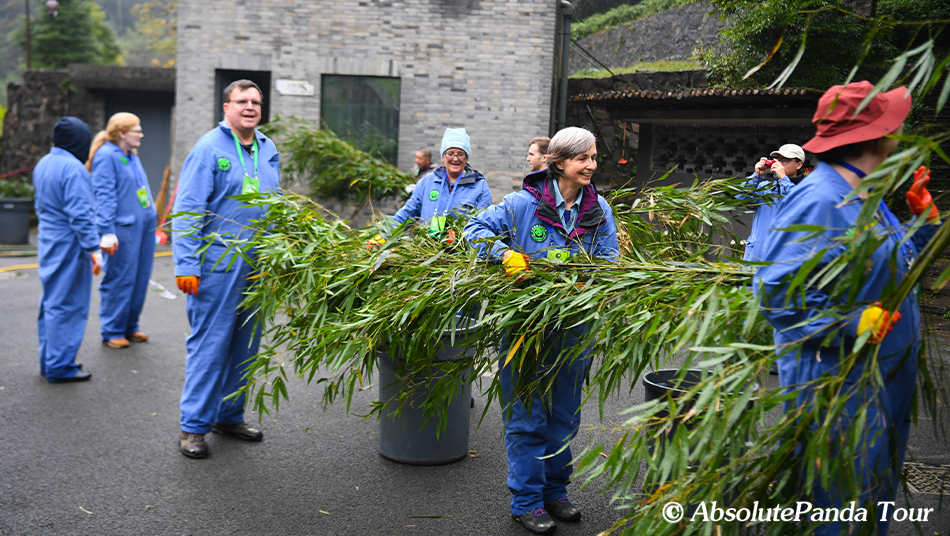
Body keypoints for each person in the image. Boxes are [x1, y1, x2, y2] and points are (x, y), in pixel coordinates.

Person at [753, 81, 939, 536]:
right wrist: (854, 321)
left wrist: (924, 224)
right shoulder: (819, 198)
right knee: (838, 502)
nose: (898, 135)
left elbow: (893, 267)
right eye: (892, 126)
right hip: (840, 384)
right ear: (875, 138)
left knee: (868, 496)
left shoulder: (863, 195)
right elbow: (777, 290)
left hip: (876, 379)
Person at [464, 127, 619, 535]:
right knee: (527, 414)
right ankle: (527, 501)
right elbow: (473, 231)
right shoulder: (520, 205)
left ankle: (555, 492)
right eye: (583, 158)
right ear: (559, 163)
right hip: (524, 325)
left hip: (573, 327)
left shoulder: (599, 208)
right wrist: (504, 255)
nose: (591, 165)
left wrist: (591, 281)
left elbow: (609, 260)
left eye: (593, 157)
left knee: (564, 415)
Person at [172, 80, 281, 459]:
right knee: (210, 344)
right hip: (218, 264)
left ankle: (228, 415)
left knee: (246, 345)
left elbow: (275, 205)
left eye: (256, 101)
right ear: (226, 107)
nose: (250, 106)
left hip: (259, 263)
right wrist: (187, 264)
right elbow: (187, 211)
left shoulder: (268, 148)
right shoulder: (208, 149)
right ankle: (193, 427)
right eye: (242, 101)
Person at [33, 117, 103, 383]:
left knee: (51, 302)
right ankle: (61, 365)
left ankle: (49, 360)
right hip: (70, 244)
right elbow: (81, 214)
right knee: (69, 304)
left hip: (49, 240)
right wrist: (93, 248)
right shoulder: (74, 168)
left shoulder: (44, 163)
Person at [88, 112, 158, 349]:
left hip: (143, 227)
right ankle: (112, 330)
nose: (141, 133)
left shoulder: (130, 155)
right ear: (120, 133)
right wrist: (106, 230)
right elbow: (104, 196)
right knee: (120, 278)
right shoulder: (106, 156)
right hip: (123, 229)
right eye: (136, 129)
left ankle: (130, 325)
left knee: (140, 277)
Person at [389, 128, 492, 237]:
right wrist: (383, 236)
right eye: (450, 153)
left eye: (460, 154)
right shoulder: (427, 181)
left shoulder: (480, 187)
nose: (455, 159)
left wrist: (461, 237)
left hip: (461, 251)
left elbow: (482, 225)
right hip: (427, 249)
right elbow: (407, 214)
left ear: (466, 158)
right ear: (443, 156)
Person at [737, 143, 805, 262]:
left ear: (799, 164)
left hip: (782, 261)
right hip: (754, 258)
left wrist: (784, 179)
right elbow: (740, 199)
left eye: (785, 161)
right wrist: (756, 176)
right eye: (777, 160)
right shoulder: (765, 188)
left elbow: (797, 204)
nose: (778, 164)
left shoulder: (805, 191)